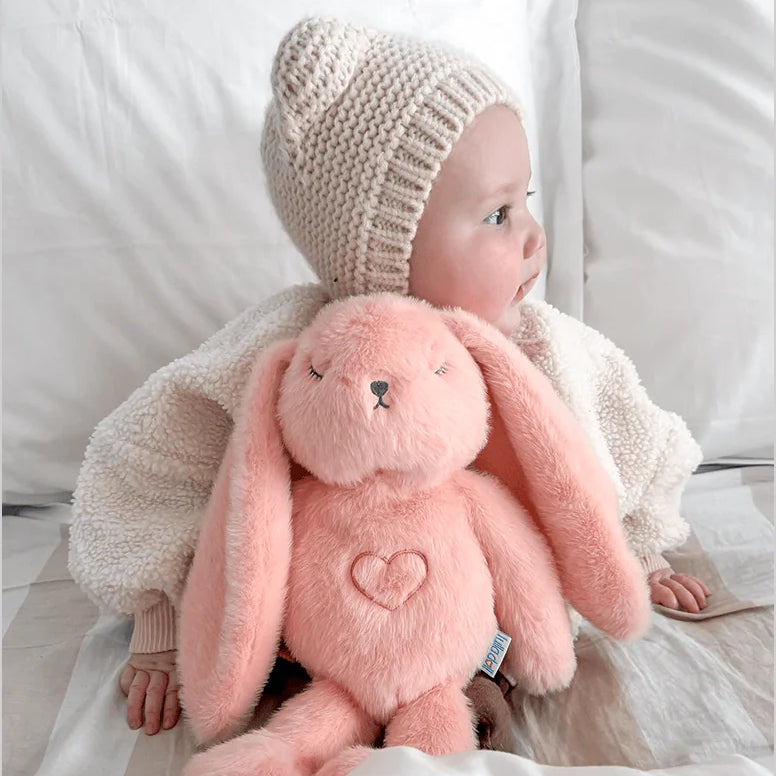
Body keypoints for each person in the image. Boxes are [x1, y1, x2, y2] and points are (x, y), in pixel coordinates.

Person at [68, 16, 710, 741]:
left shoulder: (542, 347)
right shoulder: (294, 355)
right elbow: (147, 463)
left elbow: (620, 440)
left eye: (527, 199)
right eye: (498, 213)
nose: (534, 236)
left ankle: (468, 689)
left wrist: (639, 548)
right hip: (330, 623)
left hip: (477, 610)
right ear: (377, 246)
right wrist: (158, 621)